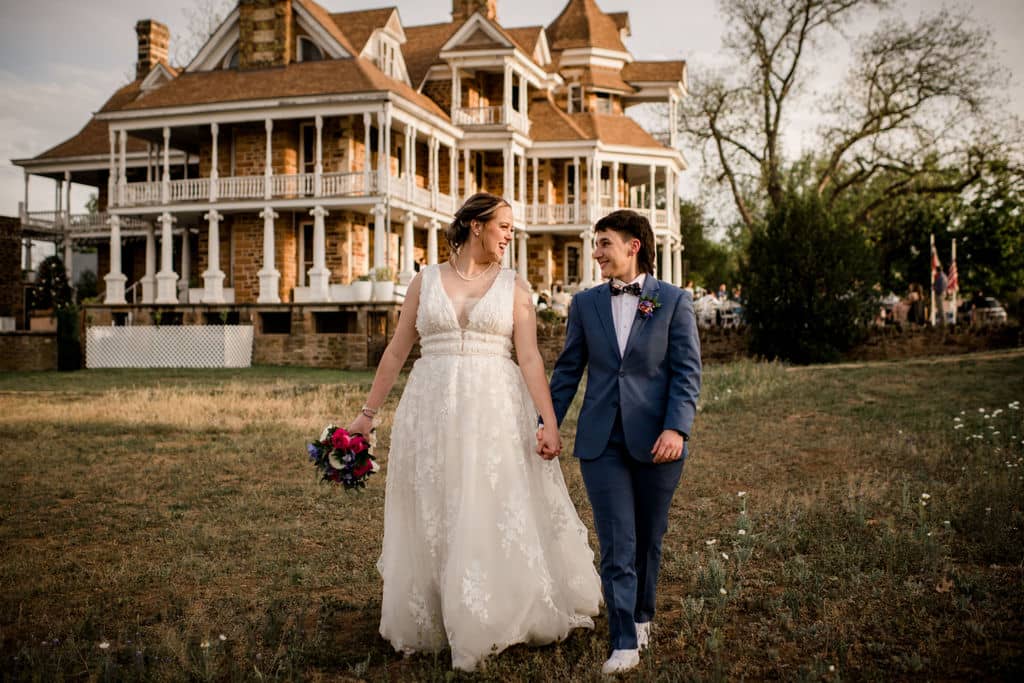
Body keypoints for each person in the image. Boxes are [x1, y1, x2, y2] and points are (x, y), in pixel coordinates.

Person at [348, 193, 601, 671]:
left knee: (488, 501)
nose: (509, 234)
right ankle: (438, 611)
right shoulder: (424, 282)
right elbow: (397, 352)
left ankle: (496, 610)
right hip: (430, 409)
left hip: (495, 413)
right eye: (503, 225)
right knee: (434, 504)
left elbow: (529, 358)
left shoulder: (515, 288)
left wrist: (548, 421)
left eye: (512, 227)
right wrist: (367, 414)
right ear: (474, 226)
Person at [545, 209, 702, 674]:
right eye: (595, 244)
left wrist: (676, 427)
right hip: (601, 441)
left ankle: (642, 613)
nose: (596, 254)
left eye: (604, 243)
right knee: (616, 540)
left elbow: (687, 373)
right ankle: (624, 640)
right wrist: (546, 421)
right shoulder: (586, 304)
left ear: (634, 245)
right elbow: (568, 370)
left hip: (659, 440)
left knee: (649, 538)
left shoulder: (673, 301)